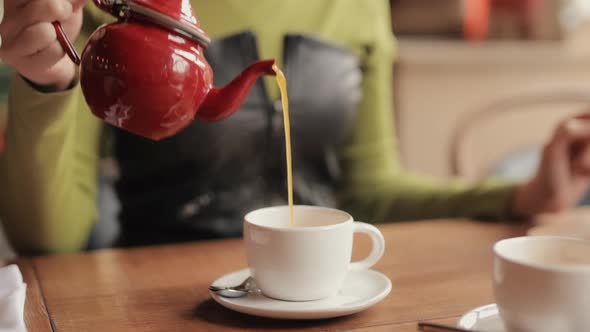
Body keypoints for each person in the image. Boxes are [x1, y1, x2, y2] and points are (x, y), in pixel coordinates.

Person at [1, 0, 590, 254]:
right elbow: (50, 240)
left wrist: (522, 196)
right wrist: (43, 83)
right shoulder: (122, 5)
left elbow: (369, 192)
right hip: (158, 300)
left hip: (318, 300)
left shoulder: (357, 6)